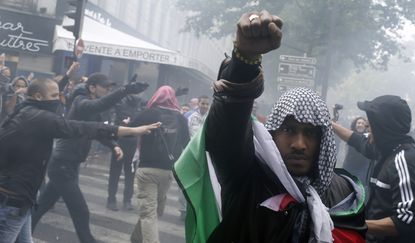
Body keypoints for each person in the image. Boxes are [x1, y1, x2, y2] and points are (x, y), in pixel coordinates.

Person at [174, 11, 366, 243]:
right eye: (289, 130)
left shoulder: (344, 194)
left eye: (310, 133)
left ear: (323, 140)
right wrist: (244, 62)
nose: (299, 144)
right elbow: (226, 133)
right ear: (272, 133)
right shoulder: (248, 176)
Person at [0, 78, 160, 243]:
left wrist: (113, 144)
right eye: (54, 95)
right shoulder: (47, 114)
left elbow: (92, 126)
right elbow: (82, 127)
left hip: (22, 195)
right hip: (17, 194)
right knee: (79, 210)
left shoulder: (28, 110)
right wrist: (130, 129)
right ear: (39, 97)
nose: (59, 99)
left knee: (38, 213)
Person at [332, 96, 415, 243]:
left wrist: (350, 223)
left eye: (370, 127)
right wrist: (330, 124)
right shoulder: (385, 148)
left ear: (383, 128)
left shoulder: (405, 160)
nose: (367, 132)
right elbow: (357, 140)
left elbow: (406, 220)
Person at [130, 86, 190, 243]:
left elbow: (131, 128)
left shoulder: (149, 113)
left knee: (150, 212)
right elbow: (187, 143)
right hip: (168, 171)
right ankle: (136, 239)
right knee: (153, 210)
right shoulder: (180, 118)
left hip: (147, 169)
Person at [106, 94, 143, 211]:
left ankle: (127, 200)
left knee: (130, 174)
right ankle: (111, 199)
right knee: (115, 173)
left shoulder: (140, 106)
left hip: (132, 143)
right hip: (120, 142)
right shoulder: (120, 103)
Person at [341, 117, 371, 187]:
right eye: (358, 123)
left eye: (363, 123)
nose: (360, 125)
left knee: (360, 188)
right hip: (349, 166)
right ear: (355, 125)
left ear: (366, 126)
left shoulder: (369, 137)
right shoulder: (350, 135)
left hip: (363, 169)